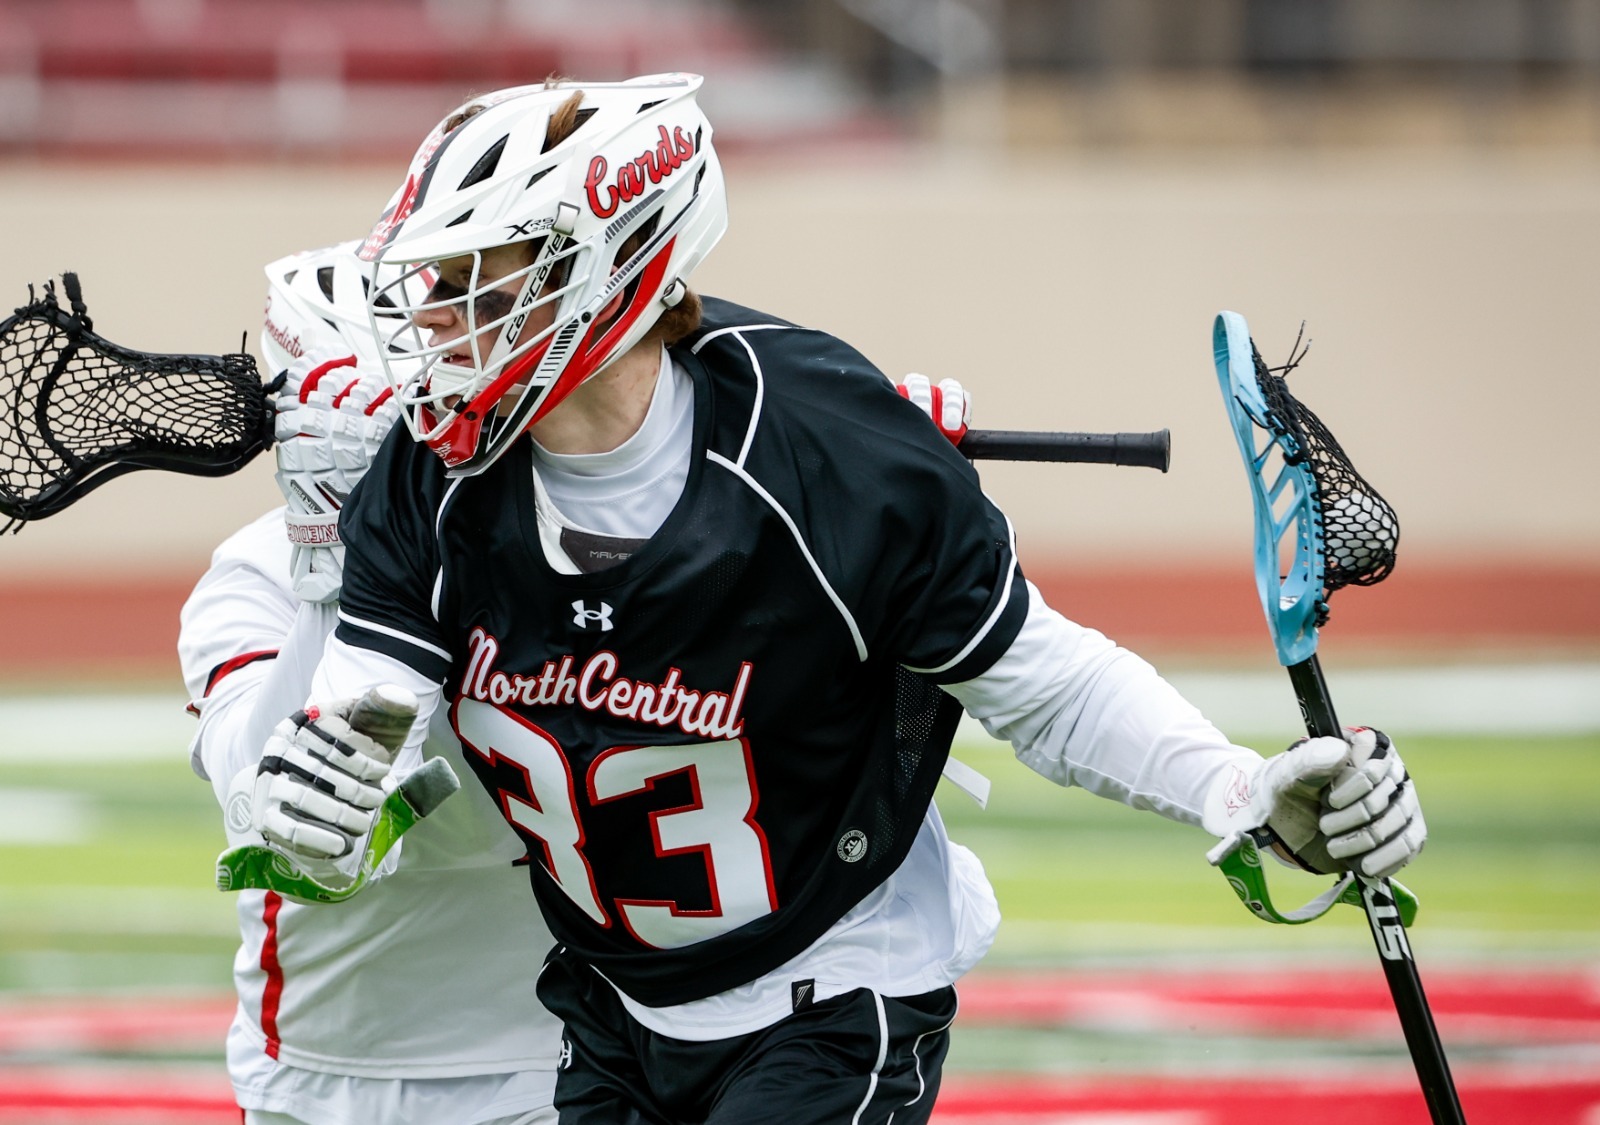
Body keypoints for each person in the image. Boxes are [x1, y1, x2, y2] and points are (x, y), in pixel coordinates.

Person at [241, 75, 1428, 1124]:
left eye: (471, 279)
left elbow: (1043, 684)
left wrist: (1232, 783)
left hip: (834, 968)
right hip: (613, 998)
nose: (432, 321)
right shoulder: (430, 473)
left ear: (608, 268)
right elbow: (366, 713)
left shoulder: (829, 458)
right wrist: (329, 806)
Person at [179, 242, 562, 1125]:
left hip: (547, 1054)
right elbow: (265, 804)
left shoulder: (559, 543)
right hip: (318, 1064)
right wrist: (331, 559)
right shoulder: (254, 572)